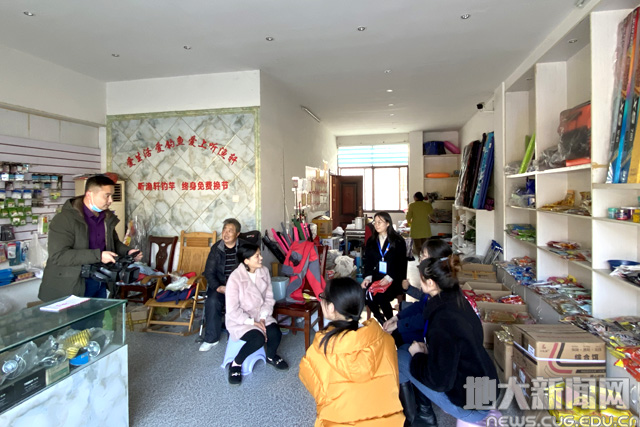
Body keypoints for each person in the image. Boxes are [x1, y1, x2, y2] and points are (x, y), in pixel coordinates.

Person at [397, 256, 499, 426]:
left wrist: (418, 356)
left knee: (401, 358)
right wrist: (428, 350)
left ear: (430, 283)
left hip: (472, 404)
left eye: (421, 279)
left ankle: (419, 417)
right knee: (406, 348)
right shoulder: (457, 301)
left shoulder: (443, 319)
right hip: (485, 387)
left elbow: (439, 381)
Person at [299, 277, 405, 426]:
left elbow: (321, 398)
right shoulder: (387, 341)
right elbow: (393, 383)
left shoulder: (317, 353)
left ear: (331, 308)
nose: (320, 300)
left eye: (323, 297)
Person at [39, 175, 141, 301]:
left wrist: (128, 252)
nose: (111, 200)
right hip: (71, 284)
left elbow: (113, 242)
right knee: (79, 314)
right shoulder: (64, 219)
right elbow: (59, 255)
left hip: (100, 280)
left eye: (112, 196)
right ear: (89, 194)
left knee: (99, 314)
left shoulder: (106, 218)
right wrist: (98, 256)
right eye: (107, 196)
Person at [384, 239, 452, 426]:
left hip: (457, 386)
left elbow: (423, 316)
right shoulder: (441, 289)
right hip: (435, 347)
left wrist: (400, 325)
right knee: (401, 340)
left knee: (403, 354)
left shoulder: (443, 298)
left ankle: (423, 412)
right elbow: (420, 307)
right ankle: (413, 399)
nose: (420, 261)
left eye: (424, 257)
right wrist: (397, 318)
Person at [225, 243, 288, 385]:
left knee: (275, 333)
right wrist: (253, 323)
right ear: (246, 261)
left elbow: (269, 298)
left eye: (260, 254)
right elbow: (232, 310)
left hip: (260, 314)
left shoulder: (264, 271)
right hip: (240, 320)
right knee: (257, 338)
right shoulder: (235, 278)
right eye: (257, 256)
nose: (261, 258)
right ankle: (236, 364)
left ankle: (270, 356)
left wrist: (263, 318)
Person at [200, 218, 245, 351]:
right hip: (220, 286)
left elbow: (252, 269)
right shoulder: (216, 248)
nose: (226, 233)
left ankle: (240, 337)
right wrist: (218, 287)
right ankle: (211, 339)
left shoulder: (245, 248)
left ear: (237, 234)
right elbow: (209, 272)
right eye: (224, 230)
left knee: (246, 301)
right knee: (212, 301)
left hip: (240, 287)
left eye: (230, 231)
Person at [361, 211, 408, 324]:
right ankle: (381, 319)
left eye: (380, 222)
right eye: (375, 222)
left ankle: (390, 321)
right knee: (365, 294)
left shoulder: (398, 241)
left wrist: (389, 277)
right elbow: (368, 262)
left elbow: (401, 264)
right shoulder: (372, 241)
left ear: (388, 223)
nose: (376, 225)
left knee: (381, 296)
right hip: (377, 277)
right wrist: (367, 277)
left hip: (394, 278)